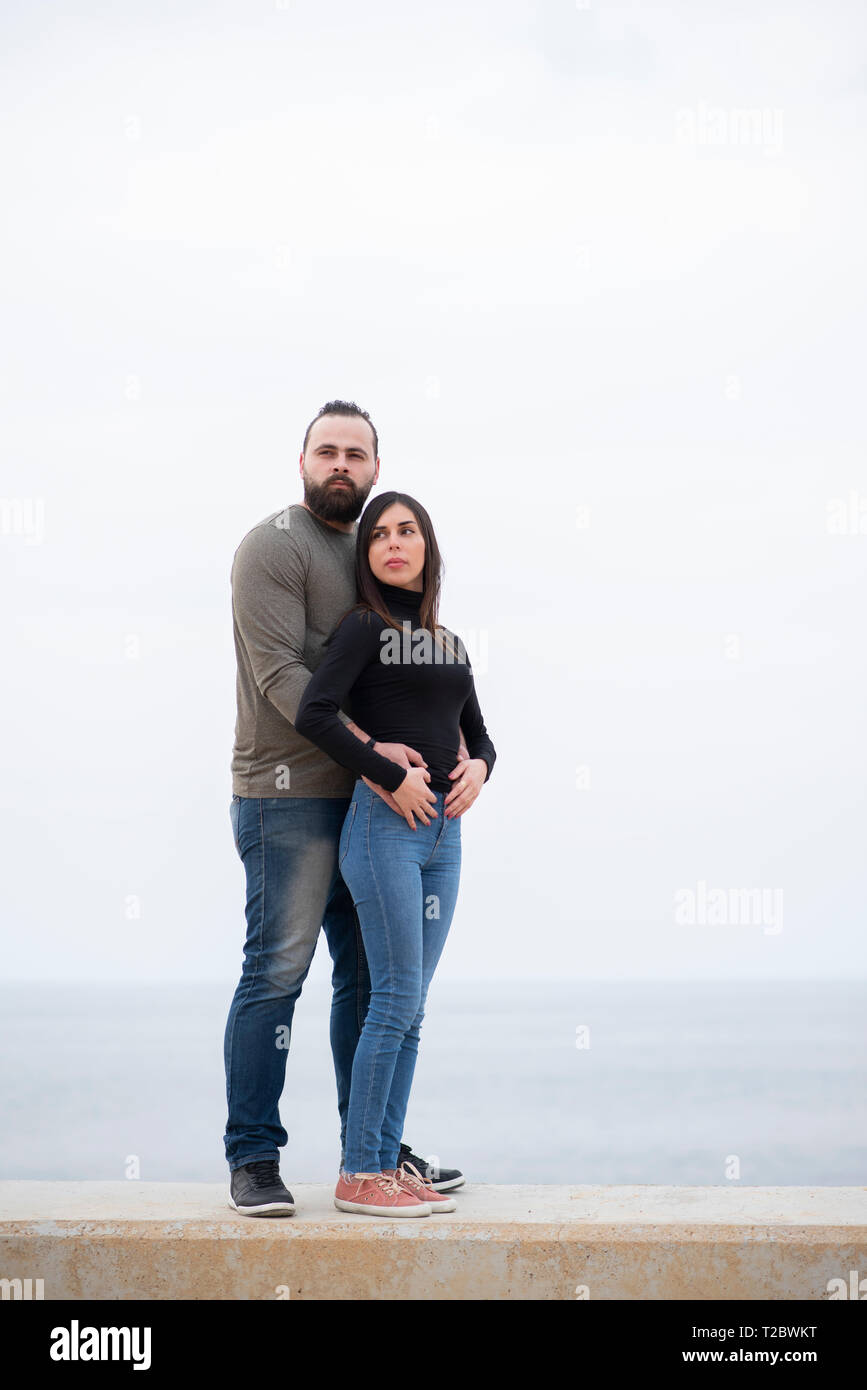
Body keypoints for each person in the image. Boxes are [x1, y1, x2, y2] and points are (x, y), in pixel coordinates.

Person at [224, 400, 467, 1216]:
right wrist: (373, 754)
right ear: (301, 462)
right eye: (326, 451)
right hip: (285, 795)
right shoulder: (273, 547)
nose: (341, 464)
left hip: (372, 808)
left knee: (368, 984)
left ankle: (370, 1152)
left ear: (373, 468)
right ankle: (253, 1156)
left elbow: (413, 678)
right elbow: (284, 679)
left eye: (356, 454)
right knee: (277, 973)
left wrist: (460, 758)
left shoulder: (372, 554)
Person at [295, 490, 496, 1217]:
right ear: (367, 556)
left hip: (445, 836)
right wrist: (385, 771)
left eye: (405, 531)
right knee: (393, 1000)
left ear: (426, 546)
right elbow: (313, 711)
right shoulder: (361, 628)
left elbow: (479, 733)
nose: (392, 543)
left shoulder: (449, 643)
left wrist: (480, 769)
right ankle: (359, 1172)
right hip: (383, 831)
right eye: (378, 535)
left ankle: (386, 1161)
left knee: (411, 1009)